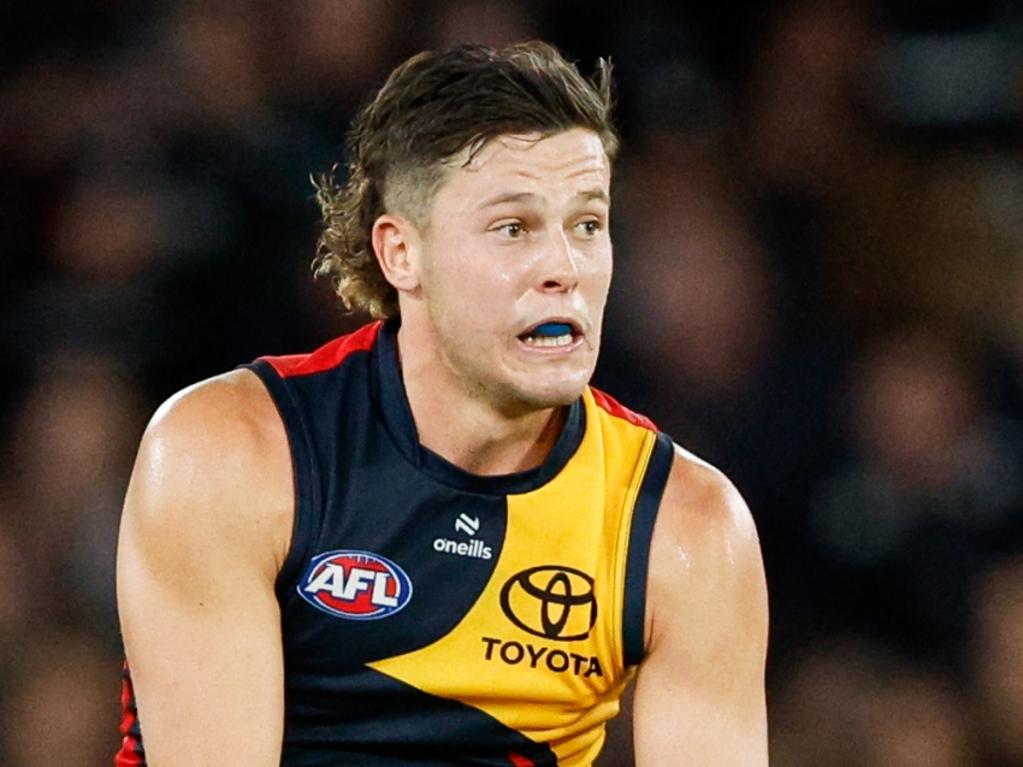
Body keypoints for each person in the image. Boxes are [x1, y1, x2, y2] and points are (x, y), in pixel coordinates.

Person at [115, 41, 768, 766]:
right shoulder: (233, 452)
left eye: (587, 224)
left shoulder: (687, 529)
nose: (563, 268)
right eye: (513, 228)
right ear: (401, 253)